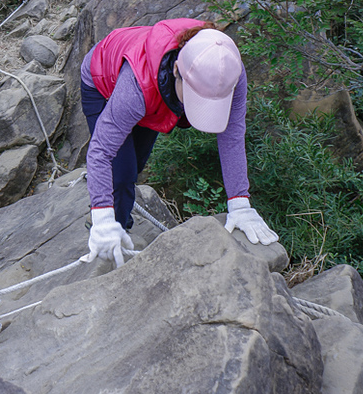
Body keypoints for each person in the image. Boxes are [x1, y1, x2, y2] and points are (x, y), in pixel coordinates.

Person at [79, 18, 279, 265]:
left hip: (156, 92)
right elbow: (101, 150)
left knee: (134, 165)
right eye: (196, 97)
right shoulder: (137, 85)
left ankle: (119, 220)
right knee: (119, 173)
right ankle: (109, 233)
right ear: (176, 71)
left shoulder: (227, 70)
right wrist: (103, 217)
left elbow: (232, 135)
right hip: (104, 81)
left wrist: (240, 203)